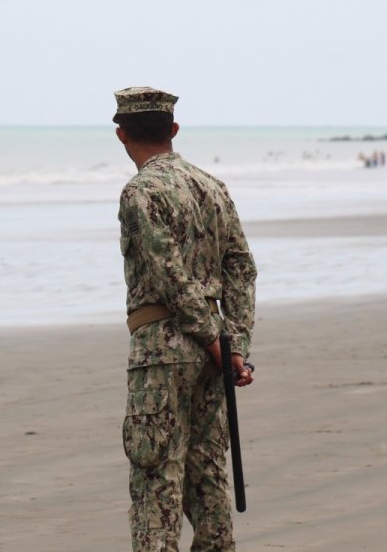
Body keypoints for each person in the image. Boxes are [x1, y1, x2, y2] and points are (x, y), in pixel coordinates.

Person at [111, 86, 257, 551]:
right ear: (173, 130)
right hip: (213, 350)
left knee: (157, 481)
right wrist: (235, 345)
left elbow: (169, 276)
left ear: (121, 135)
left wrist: (220, 344)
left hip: (162, 351)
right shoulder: (212, 186)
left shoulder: (140, 191)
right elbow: (241, 267)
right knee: (208, 476)